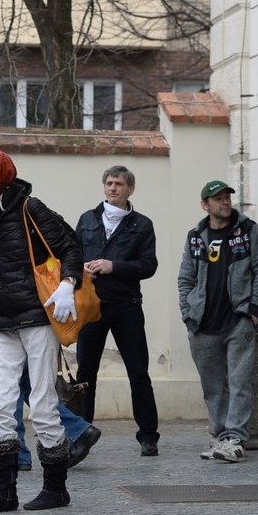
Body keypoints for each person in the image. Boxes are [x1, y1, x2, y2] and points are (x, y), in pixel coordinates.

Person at [0, 148, 84, 514]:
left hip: (38, 317)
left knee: (43, 404)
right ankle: (5, 492)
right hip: (4, 317)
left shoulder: (31, 208)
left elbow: (71, 246)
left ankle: (56, 489)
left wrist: (67, 283)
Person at [177, 180, 258, 463]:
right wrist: (187, 313)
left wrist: (253, 311)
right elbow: (185, 279)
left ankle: (235, 439)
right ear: (205, 205)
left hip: (238, 320)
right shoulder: (196, 235)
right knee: (213, 386)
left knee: (239, 382)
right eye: (217, 199)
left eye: (226, 198)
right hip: (202, 323)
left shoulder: (248, 230)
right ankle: (220, 438)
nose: (224, 203)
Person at [75, 165, 160, 456]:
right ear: (104, 187)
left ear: (130, 190)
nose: (113, 188)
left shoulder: (142, 225)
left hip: (126, 307)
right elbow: (71, 255)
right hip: (92, 306)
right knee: (85, 375)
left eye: (119, 184)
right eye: (109, 183)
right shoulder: (88, 219)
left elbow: (149, 266)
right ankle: (80, 433)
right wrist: (83, 269)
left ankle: (148, 436)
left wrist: (115, 267)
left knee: (139, 373)